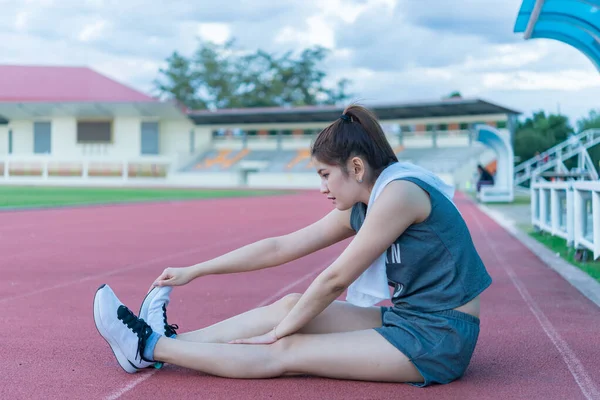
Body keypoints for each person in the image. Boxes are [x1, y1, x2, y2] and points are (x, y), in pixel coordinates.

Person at [93, 105, 492, 387]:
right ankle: (167, 341)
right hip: (410, 319)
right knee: (289, 305)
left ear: (356, 168)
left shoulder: (400, 194)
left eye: (325, 175)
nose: (321, 188)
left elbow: (336, 279)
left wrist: (281, 332)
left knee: (287, 349)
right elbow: (279, 247)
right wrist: (197, 270)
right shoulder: (368, 201)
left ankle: (147, 345)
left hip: (439, 338)